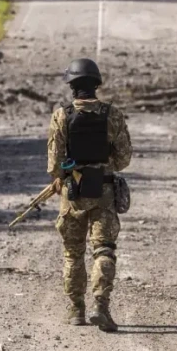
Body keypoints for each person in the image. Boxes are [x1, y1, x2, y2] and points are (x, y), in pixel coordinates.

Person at [47, 58, 132, 332]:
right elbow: (123, 160)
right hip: (105, 193)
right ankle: (101, 307)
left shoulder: (61, 116)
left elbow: (55, 166)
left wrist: (67, 172)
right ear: (96, 84)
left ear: (71, 86)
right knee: (103, 250)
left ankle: (76, 310)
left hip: (73, 195)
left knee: (73, 254)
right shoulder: (113, 114)